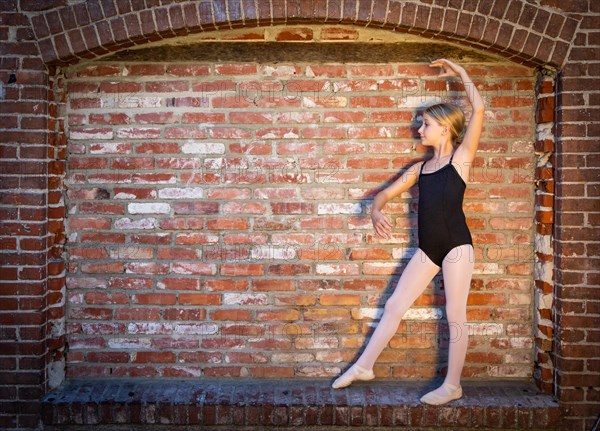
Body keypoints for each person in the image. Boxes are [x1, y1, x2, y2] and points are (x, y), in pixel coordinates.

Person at [331, 59, 485, 406]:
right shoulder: (419, 169)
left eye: (426, 124)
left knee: (455, 315)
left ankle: (452, 385)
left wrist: (461, 73)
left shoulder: (460, 160)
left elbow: (480, 108)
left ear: (445, 128)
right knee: (396, 305)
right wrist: (375, 208)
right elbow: (384, 193)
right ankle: (364, 366)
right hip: (429, 249)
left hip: (457, 247)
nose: (419, 128)